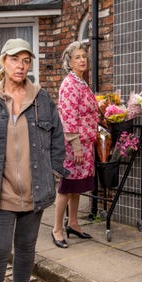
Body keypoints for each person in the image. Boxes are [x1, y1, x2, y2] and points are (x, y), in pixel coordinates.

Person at [0, 38, 69, 282]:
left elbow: (58, 139)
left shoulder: (42, 99)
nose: (20, 66)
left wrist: (54, 172)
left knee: (25, 249)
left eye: (25, 61)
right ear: (3, 61)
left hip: (35, 191)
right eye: (14, 59)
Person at [52, 41, 99, 249]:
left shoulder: (81, 82)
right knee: (67, 186)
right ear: (69, 62)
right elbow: (68, 118)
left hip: (86, 143)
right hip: (74, 145)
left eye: (84, 56)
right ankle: (57, 229)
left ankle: (73, 223)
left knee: (77, 186)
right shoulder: (70, 84)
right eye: (77, 57)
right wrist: (77, 146)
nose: (82, 60)